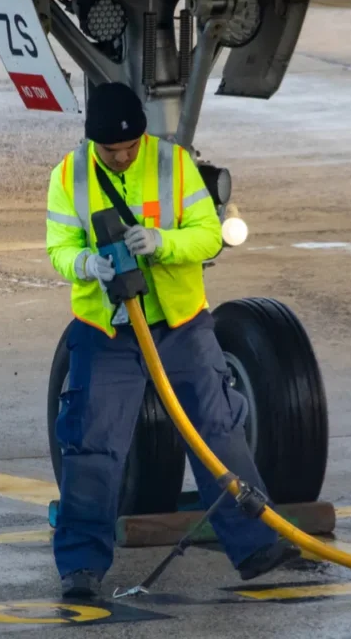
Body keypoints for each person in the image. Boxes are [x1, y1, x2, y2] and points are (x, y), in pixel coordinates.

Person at [44, 82, 295, 599]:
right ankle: (80, 567)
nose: (123, 156)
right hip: (107, 330)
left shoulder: (174, 165)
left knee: (217, 431)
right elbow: (59, 248)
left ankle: (255, 544)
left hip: (180, 324)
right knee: (92, 445)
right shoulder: (69, 176)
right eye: (111, 151)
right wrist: (86, 264)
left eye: (130, 146)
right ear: (94, 143)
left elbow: (208, 234)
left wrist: (164, 242)